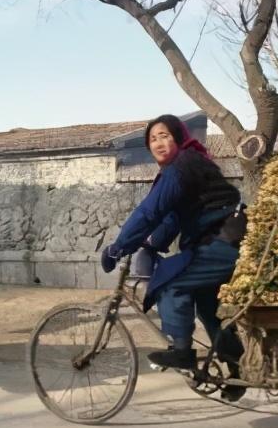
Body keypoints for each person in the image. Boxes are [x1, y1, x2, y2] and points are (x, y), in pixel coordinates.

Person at [100, 115, 248, 400]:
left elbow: (149, 211)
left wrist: (118, 248)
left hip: (221, 242)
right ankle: (239, 372)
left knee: (169, 282)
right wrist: (149, 243)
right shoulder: (188, 164)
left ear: (178, 138)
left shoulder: (180, 167)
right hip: (224, 241)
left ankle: (182, 352)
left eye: (165, 135)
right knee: (209, 310)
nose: (158, 142)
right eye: (153, 139)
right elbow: (170, 219)